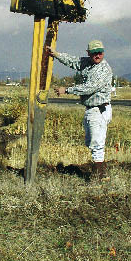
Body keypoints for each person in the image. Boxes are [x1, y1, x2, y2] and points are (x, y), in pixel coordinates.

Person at [47, 40, 113, 178]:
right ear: (88, 53)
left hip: (99, 110)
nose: (97, 55)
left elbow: (89, 87)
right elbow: (73, 61)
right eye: (94, 53)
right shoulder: (87, 63)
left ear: (103, 52)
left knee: (97, 143)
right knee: (91, 142)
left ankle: (100, 175)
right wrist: (56, 54)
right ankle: (100, 171)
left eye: (100, 52)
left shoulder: (104, 69)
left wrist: (66, 90)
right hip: (91, 109)